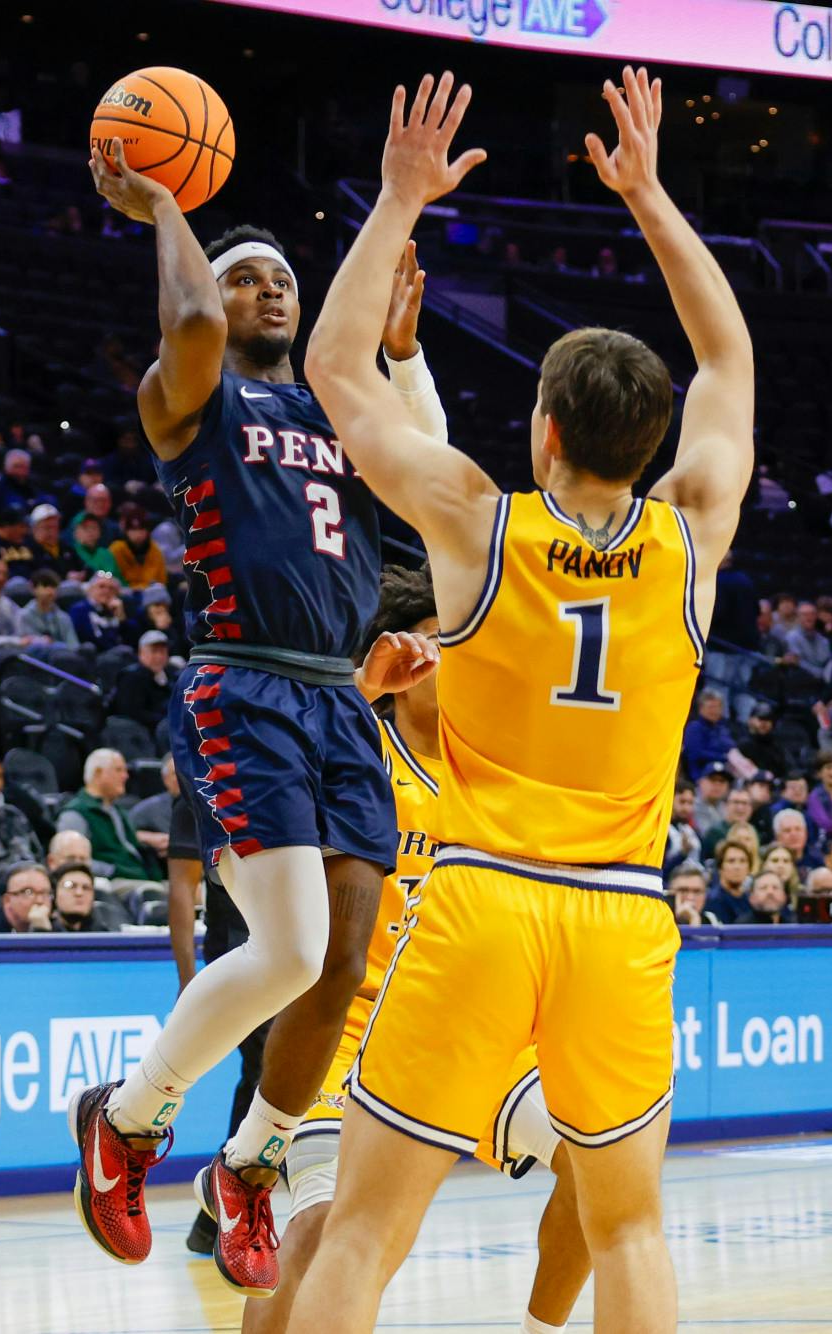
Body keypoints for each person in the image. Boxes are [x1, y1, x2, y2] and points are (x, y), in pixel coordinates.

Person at [288, 69, 750, 1334]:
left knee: (370, 1230)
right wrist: (649, 196)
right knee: (630, 1225)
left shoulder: (478, 527)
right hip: (619, 912)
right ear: (654, 445)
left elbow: (334, 365)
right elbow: (724, 351)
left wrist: (395, 200)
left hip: (483, 895)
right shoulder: (693, 534)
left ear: (542, 434)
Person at [71, 131, 425, 1296]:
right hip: (244, 679)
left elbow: (427, 467)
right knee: (286, 947)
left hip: (337, 698)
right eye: (244, 277)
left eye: (281, 275)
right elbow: (185, 329)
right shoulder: (196, 397)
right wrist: (166, 207)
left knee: (339, 956)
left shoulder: (340, 409)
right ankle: (125, 1122)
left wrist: (403, 357)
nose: (268, 287)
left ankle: (250, 1161)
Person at [234, 564, 592, 1332]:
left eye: (465, 645)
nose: (453, 661)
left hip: (475, 1032)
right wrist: (357, 692)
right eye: (438, 644)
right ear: (399, 662)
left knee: (605, 1168)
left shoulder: (503, 777)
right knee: (322, 1230)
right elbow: (273, 769)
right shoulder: (359, 753)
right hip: (354, 1032)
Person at [57, 749, 166, 883]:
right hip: (112, 883)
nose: (125, 776)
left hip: (141, 878)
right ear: (98, 773)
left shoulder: (117, 811)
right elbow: (70, 861)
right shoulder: (75, 814)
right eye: (118, 770)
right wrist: (111, 870)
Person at [111, 630, 173, 730]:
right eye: (154, 651)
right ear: (141, 653)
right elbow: (132, 713)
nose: (159, 656)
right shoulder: (131, 677)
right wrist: (168, 720)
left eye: (162, 651)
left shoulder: (170, 673)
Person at [50, 862, 128, 933]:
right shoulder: (43, 932)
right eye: (71, 886)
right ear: (54, 893)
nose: (79, 893)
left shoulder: (104, 935)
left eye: (86, 888)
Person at [0, 862, 53, 933]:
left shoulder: (54, 925)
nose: (39, 901)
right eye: (28, 892)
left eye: (45, 893)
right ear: (7, 900)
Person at [108, 504, 168, 589]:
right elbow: (113, 578)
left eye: (141, 529)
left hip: (151, 594)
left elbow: (161, 580)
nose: (138, 534)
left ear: (147, 531)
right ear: (126, 531)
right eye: (133, 530)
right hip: (124, 594)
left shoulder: (154, 549)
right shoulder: (116, 549)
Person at [18, 569, 78, 647]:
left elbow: (73, 645)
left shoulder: (63, 617)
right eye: (45, 586)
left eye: (53, 586)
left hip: (64, 656)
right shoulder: (24, 615)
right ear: (33, 588)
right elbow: (28, 644)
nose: (50, 591)